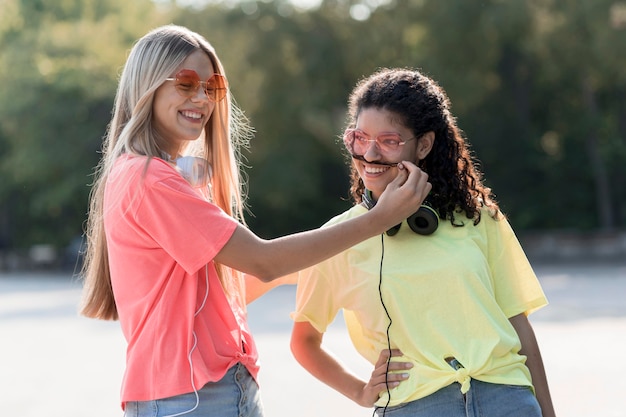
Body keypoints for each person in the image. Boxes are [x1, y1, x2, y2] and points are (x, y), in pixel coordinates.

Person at [79, 27, 431, 417]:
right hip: (191, 400)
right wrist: (379, 219)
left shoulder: (158, 175)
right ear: (147, 86)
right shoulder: (149, 178)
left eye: (210, 86)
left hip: (215, 392)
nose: (201, 98)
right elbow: (264, 261)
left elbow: (230, 287)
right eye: (186, 83)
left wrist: (326, 267)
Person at [290, 68, 556, 417]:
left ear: (424, 144)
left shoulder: (478, 217)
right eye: (359, 137)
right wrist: (360, 391)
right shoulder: (338, 238)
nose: (369, 154)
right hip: (414, 406)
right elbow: (304, 342)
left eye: (388, 141)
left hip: (506, 400)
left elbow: (518, 327)